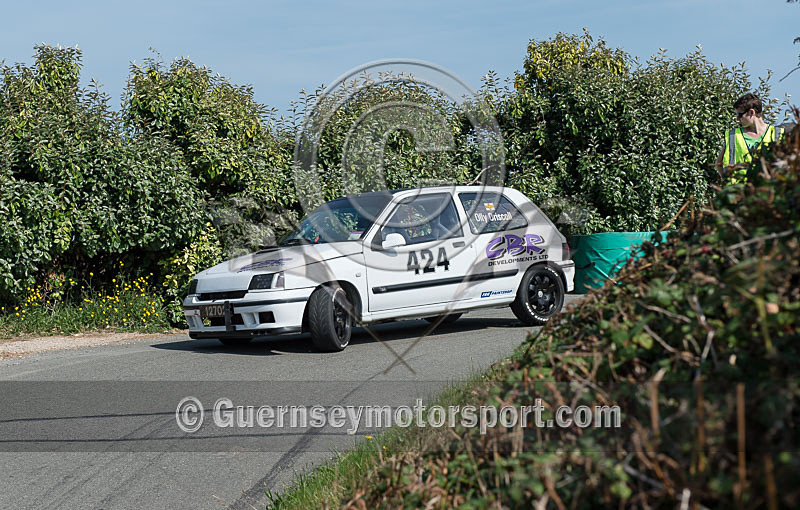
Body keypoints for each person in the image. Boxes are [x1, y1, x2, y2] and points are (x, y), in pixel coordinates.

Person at [716, 93, 784, 183]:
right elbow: (719, 164)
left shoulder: (777, 134)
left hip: (767, 193)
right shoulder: (732, 135)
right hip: (739, 194)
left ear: (751, 112)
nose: (737, 119)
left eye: (740, 115)